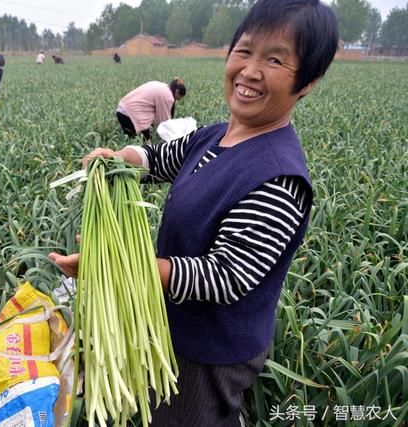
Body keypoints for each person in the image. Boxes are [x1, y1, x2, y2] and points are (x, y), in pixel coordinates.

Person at [49, 0, 338, 425]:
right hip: (173, 326)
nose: (250, 70)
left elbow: (223, 277)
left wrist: (116, 265)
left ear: (308, 80)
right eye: (244, 51)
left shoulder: (279, 177)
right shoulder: (214, 136)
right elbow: (157, 159)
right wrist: (118, 157)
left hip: (209, 353)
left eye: (275, 59)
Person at [115, 78, 186, 140]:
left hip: (122, 110)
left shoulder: (162, 86)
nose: (175, 100)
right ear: (177, 91)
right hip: (130, 115)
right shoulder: (168, 96)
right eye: (177, 98)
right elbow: (164, 122)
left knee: (134, 141)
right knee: (145, 143)